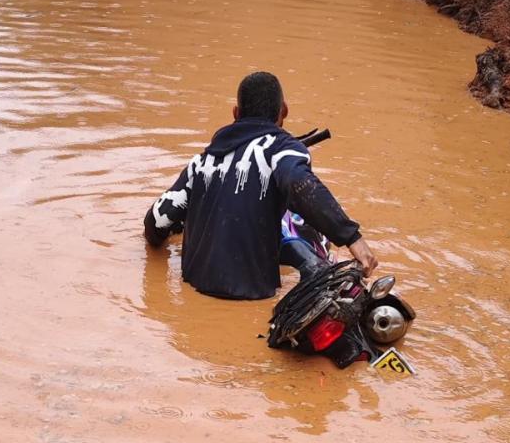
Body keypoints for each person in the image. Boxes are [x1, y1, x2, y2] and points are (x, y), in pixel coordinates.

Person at [144, 72, 378, 300]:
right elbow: (299, 183)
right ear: (283, 111)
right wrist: (352, 238)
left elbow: (158, 221)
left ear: (235, 113)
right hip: (255, 299)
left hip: (193, 294)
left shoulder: (203, 161)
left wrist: (158, 244)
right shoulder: (282, 149)